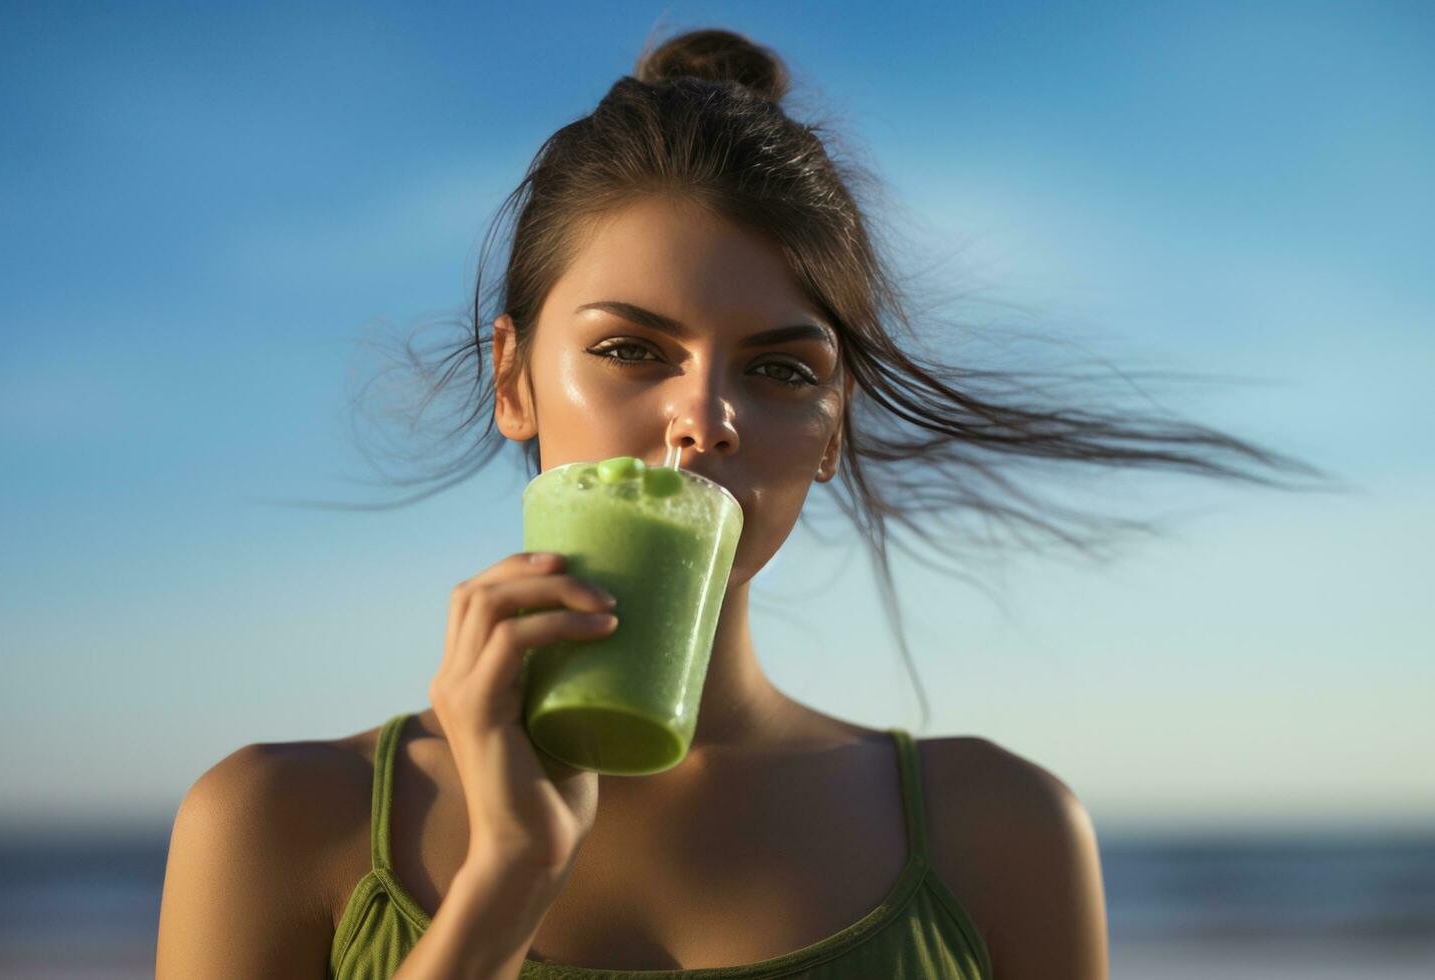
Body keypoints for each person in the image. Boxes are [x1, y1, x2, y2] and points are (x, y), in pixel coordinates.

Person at [157, 26, 1314, 980]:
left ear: (833, 430)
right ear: (512, 378)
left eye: (781, 369)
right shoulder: (273, 821)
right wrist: (503, 878)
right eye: (630, 348)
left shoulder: (1000, 830)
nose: (703, 417)